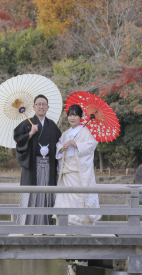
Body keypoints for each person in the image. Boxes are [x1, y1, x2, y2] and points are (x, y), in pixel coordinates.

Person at [14, 94, 62, 225]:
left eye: (43, 104)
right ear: (34, 107)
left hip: (49, 166)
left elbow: (59, 143)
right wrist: (30, 133)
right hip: (32, 166)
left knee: (47, 195)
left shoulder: (52, 125)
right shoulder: (26, 124)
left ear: (47, 107)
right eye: (38, 104)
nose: (41, 107)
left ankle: (47, 226)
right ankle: (28, 226)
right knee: (31, 195)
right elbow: (18, 141)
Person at [54, 104, 100, 225]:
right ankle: (66, 223)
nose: (72, 118)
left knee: (79, 197)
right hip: (67, 171)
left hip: (78, 172)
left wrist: (76, 144)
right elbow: (58, 146)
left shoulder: (85, 131)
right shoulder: (65, 133)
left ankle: (81, 224)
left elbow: (91, 146)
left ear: (80, 117)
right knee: (66, 198)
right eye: (70, 115)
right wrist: (61, 148)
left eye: (75, 115)